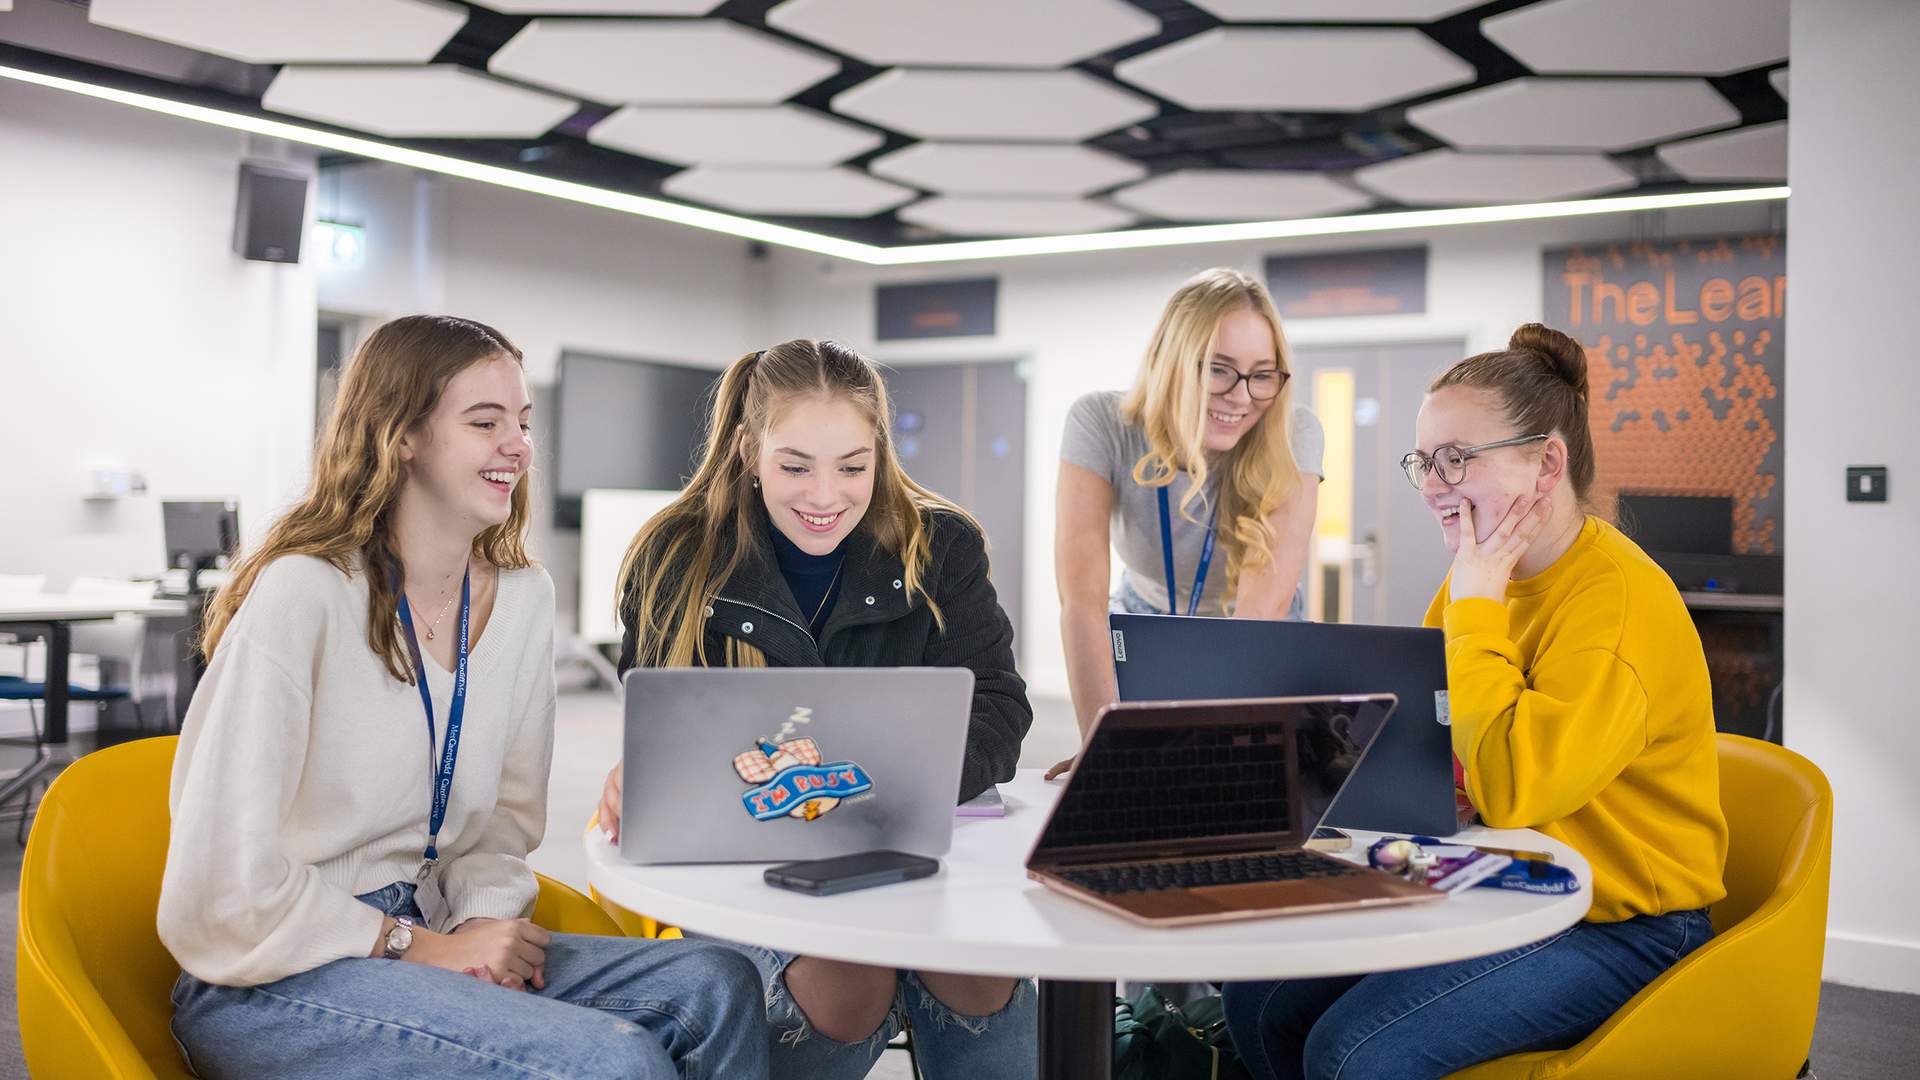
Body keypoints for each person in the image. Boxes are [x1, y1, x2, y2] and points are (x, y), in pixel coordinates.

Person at [159, 315, 767, 1080]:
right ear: (401, 437)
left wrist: (480, 929)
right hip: (277, 968)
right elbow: (219, 882)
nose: (517, 445)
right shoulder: (304, 592)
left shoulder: (521, 598)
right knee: (612, 1061)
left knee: (717, 984)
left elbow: (499, 832)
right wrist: (421, 948)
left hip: (433, 922)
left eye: (522, 422)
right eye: (484, 422)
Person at [1221, 323, 1729, 1080]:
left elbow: (1516, 787)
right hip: (1504, 877)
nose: (1431, 483)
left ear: (1547, 462)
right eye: (1423, 461)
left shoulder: (1612, 603)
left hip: (1622, 920)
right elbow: (1429, 730)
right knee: (1258, 1003)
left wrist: (1478, 606)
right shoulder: (1481, 576)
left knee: (1354, 1052)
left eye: (1456, 459)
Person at [595, 338, 1036, 1079]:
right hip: (746, 864)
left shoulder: (943, 546)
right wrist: (647, 771)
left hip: (905, 852)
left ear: (880, 453)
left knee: (978, 969)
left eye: (853, 467)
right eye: (795, 467)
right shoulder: (673, 555)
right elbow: (664, 721)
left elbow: (997, 706)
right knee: (846, 980)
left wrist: (870, 788)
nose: (825, 496)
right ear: (746, 449)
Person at [1051, 266, 1323, 779]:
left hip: (1255, 635)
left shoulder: (1295, 431)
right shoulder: (1101, 422)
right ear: (1170, 363)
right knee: (1134, 784)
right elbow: (1082, 602)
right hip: (1144, 627)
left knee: (1240, 779)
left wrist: (1218, 747)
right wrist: (1102, 744)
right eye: (1218, 369)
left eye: (1262, 374)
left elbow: (1261, 610)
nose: (1241, 396)